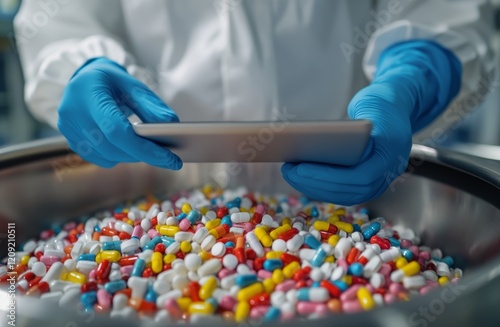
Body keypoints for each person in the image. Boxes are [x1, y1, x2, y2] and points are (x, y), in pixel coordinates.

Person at [14, 0, 494, 205]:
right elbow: (60, 17)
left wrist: (413, 74)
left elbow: (439, 8)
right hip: (155, 207)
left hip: (348, 204)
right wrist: (81, 66)